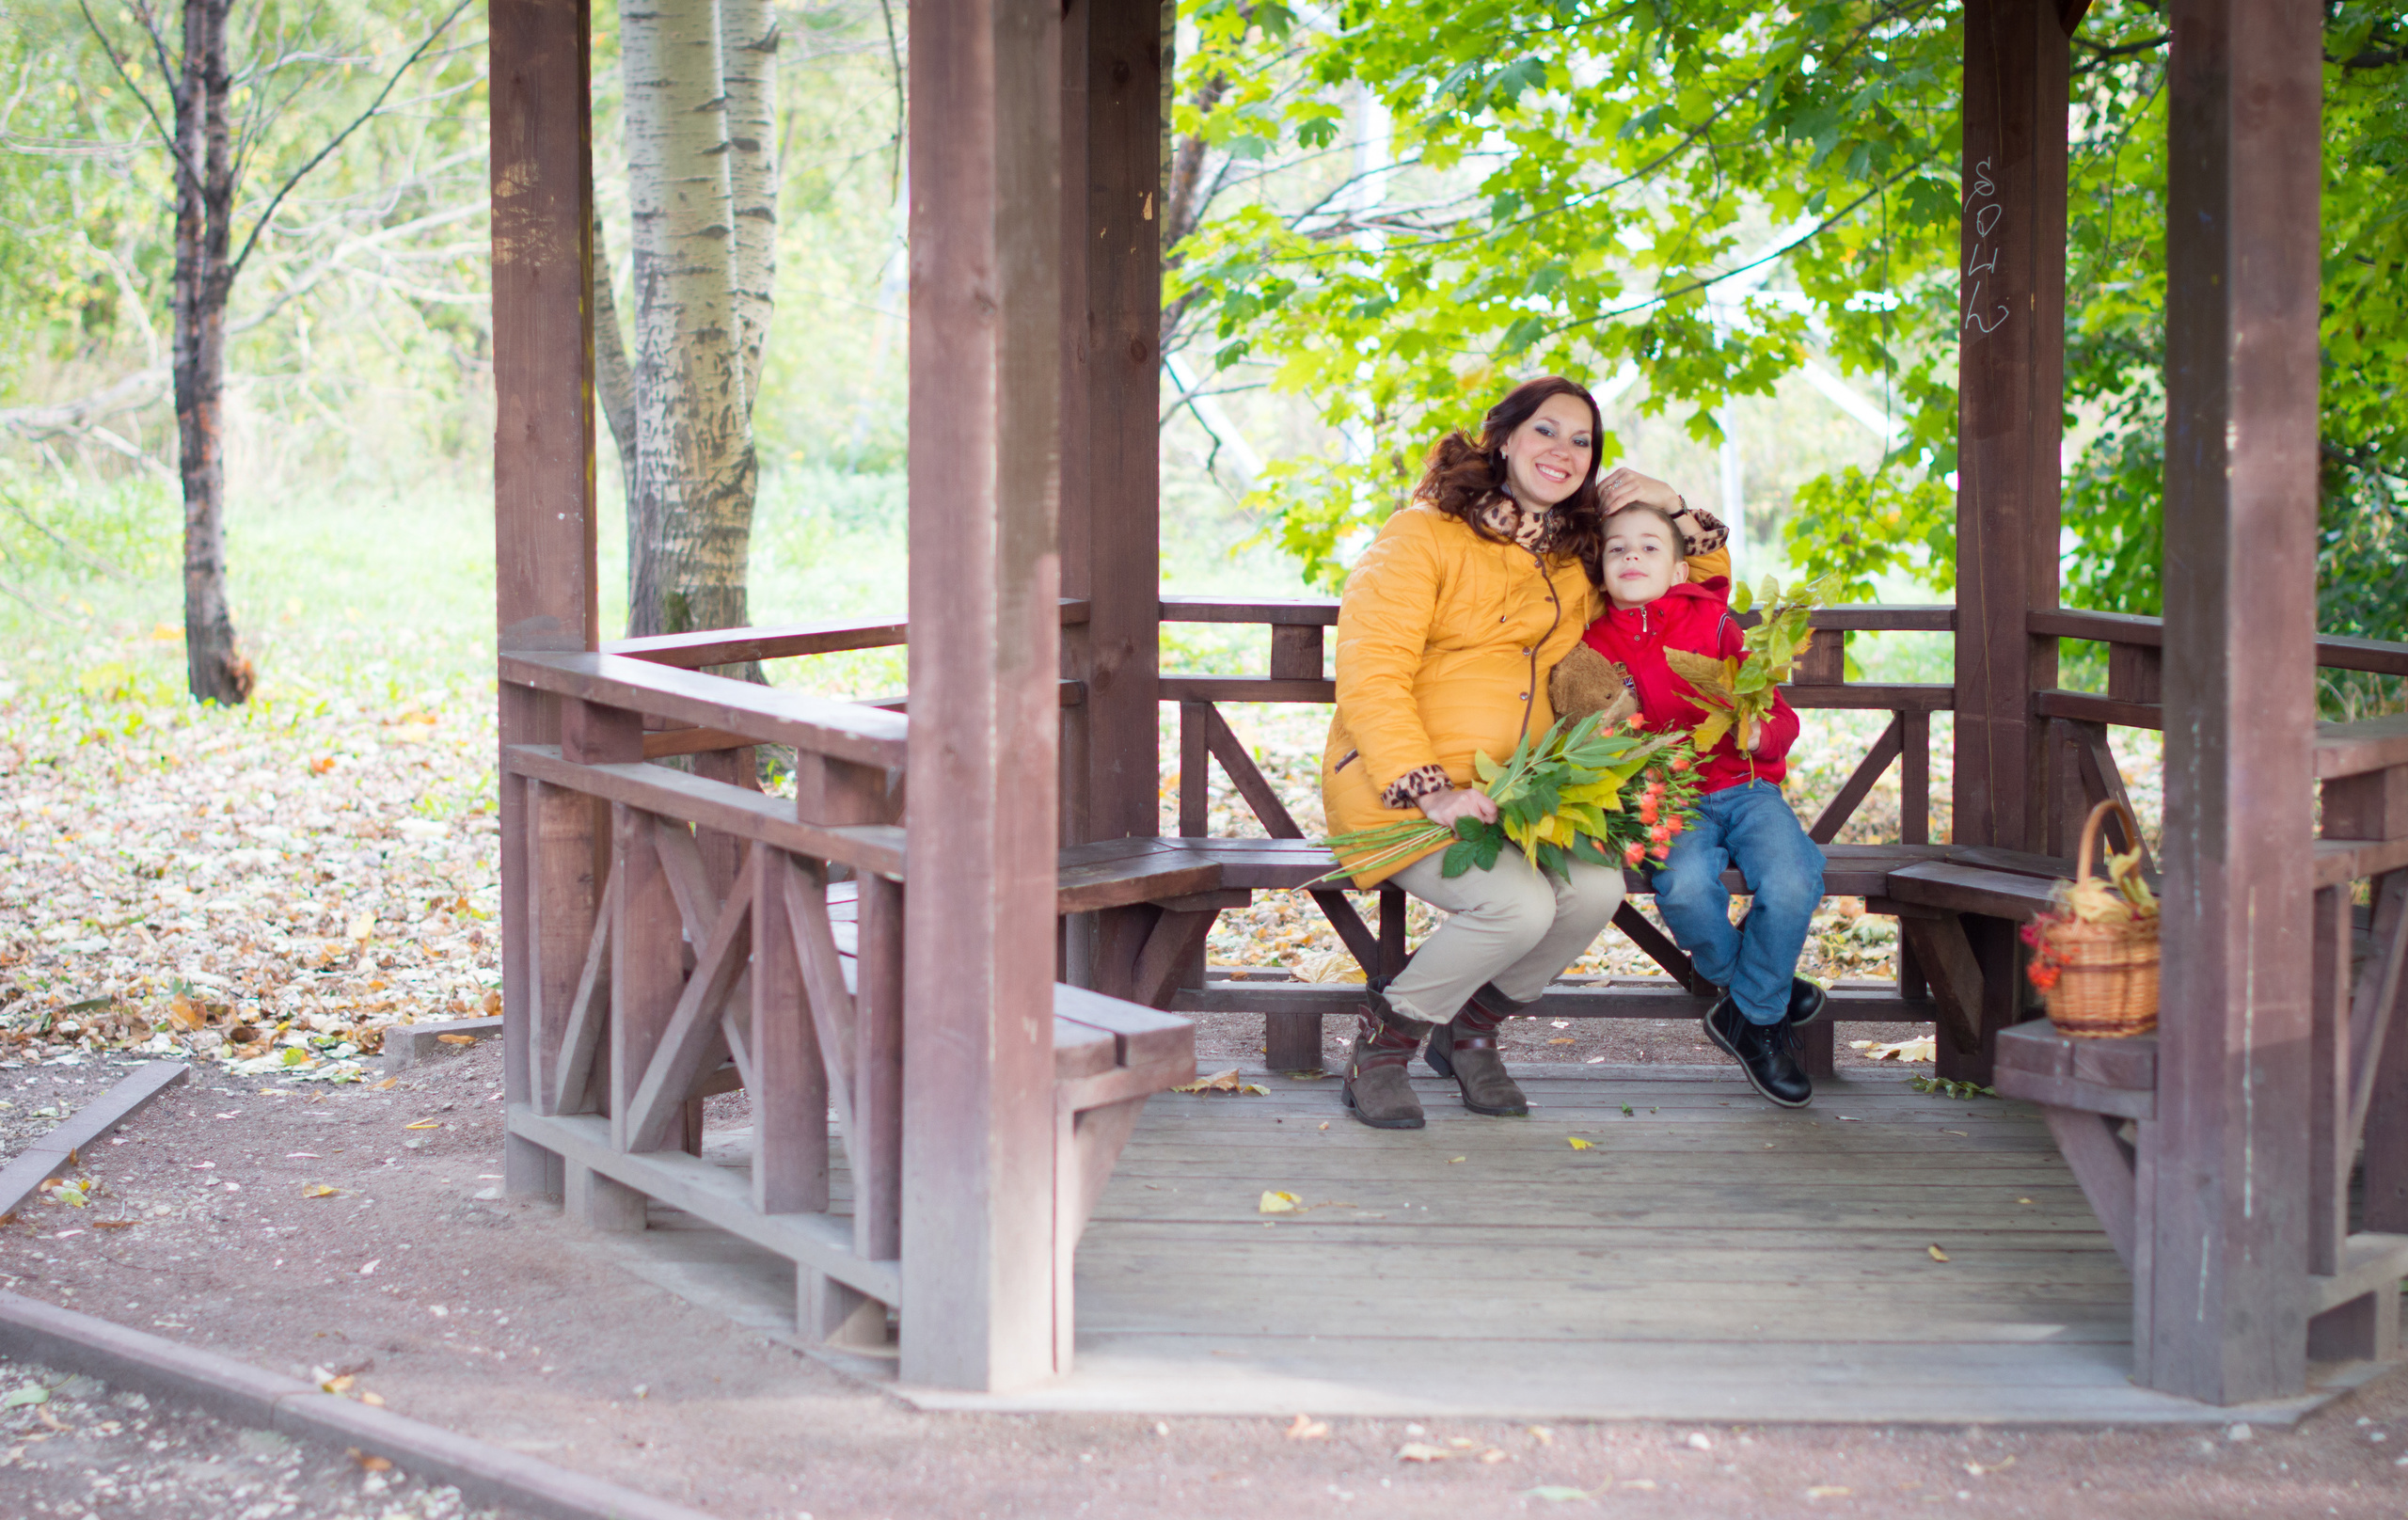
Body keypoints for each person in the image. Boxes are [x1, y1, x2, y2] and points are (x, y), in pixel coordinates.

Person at [1322, 375, 1726, 1129]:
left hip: (1521, 791)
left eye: (1583, 441)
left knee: (1594, 892)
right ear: (1503, 438)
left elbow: (1692, 580)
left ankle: (1470, 1031)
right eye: (1547, 430)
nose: (1564, 451)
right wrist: (1430, 789)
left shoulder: (1574, 557)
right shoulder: (1422, 534)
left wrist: (1669, 504)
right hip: (1400, 787)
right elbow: (1370, 673)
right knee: (1515, 904)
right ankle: (1384, 1045)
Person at [1577, 503, 1827, 1107]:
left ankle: (1752, 1014)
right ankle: (1754, 997)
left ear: (1680, 569)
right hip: (1669, 796)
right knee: (1686, 887)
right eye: (1617, 550)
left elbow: (1777, 714)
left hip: (1744, 786)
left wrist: (1761, 733)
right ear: (1600, 568)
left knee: (1794, 878)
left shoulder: (1715, 628)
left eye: (1649, 547)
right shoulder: (1589, 643)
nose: (1632, 556)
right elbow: (1590, 727)